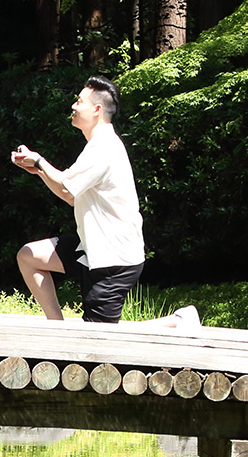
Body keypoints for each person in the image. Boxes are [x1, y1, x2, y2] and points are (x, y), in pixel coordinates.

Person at [11, 75, 198, 330]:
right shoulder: (97, 145)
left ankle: (176, 321)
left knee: (101, 339)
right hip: (92, 246)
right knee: (29, 256)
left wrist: (40, 161)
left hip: (114, 259)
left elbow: (66, 184)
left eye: (79, 101)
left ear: (97, 109)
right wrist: (41, 171)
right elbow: (70, 196)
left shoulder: (105, 147)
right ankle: (58, 331)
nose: (73, 107)